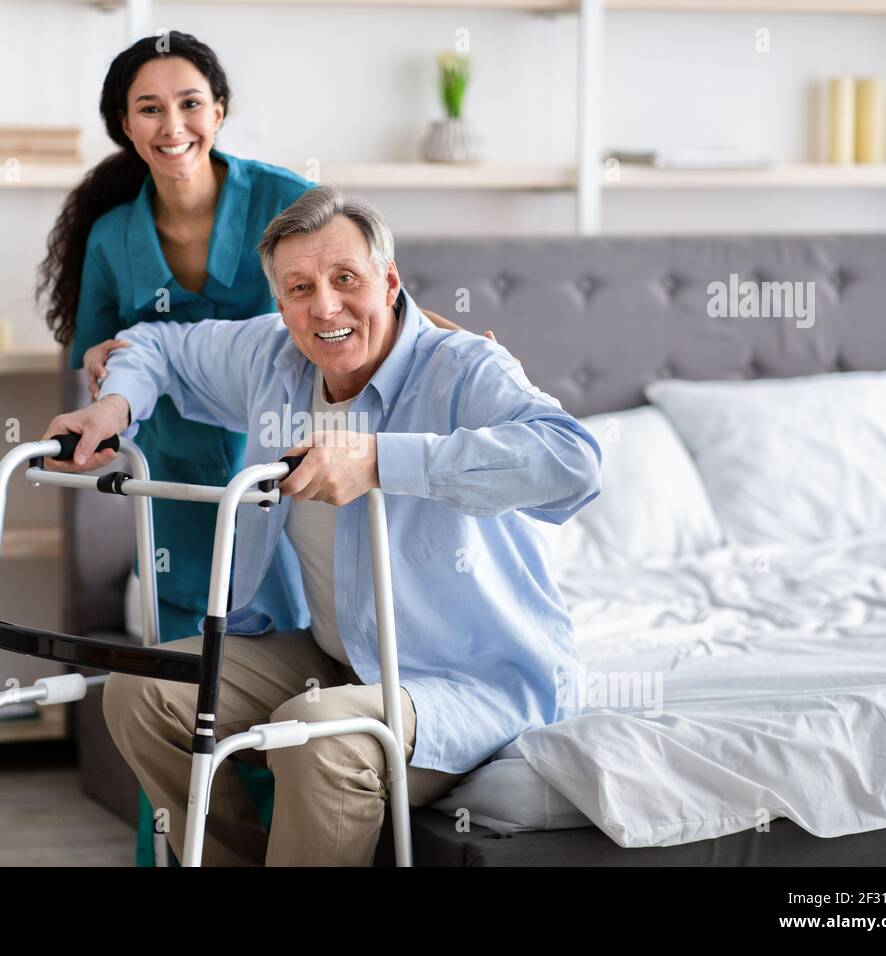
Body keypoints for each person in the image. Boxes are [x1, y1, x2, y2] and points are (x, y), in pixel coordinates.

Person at [36, 32, 498, 865]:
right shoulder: (114, 234)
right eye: (149, 107)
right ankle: (198, 855)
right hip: (176, 464)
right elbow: (117, 347)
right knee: (177, 680)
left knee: (301, 661)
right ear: (124, 125)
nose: (173, 124)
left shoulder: (286, 201)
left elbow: (362, 288)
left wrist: (441, 354)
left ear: (220, 111)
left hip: (287, 464)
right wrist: (111, 389)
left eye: (190, 103)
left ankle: (301, 829)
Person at [40, 186, 602, 866]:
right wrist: (116, 406)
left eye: (345, 280)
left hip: (469, 679)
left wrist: (379, 460)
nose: (325, 307)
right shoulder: (273, 356)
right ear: (279, 302)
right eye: (300, 288)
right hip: (332, 655)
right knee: (142, 693)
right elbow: (161, 346)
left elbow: (572, 461)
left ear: (389, 281)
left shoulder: (463, 369)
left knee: (315, 733)